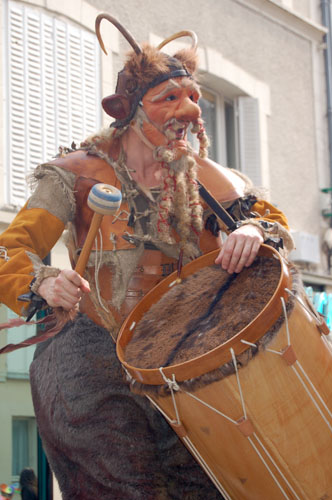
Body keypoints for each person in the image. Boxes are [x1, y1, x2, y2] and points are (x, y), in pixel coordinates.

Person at [0, 13, 293, 499]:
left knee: (205, 486)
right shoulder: (77, 172)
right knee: (121, 484)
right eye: (169, 98)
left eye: (195, 97)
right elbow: (12, 249)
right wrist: (44, 281)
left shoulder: (208, 180)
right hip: (93, 348)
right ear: (129, 110)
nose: (190, 110)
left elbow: (271, 223)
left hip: (183, 358)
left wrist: (252, 230)